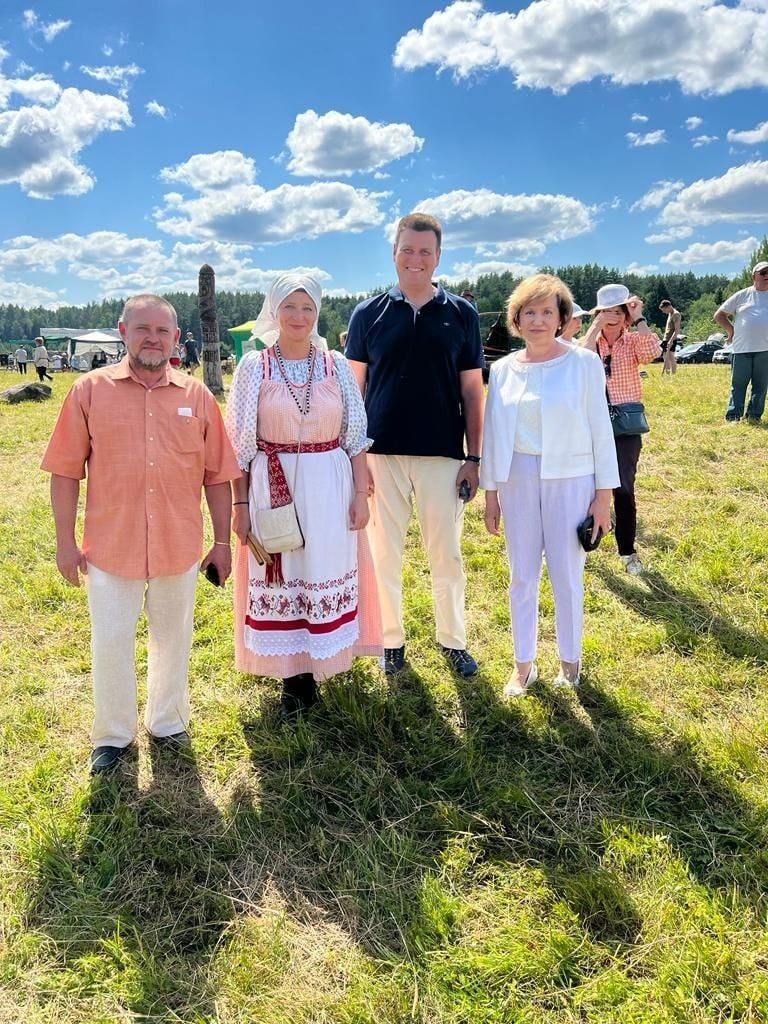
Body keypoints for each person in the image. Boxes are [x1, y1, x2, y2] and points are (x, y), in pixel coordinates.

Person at [41, 294, 240, 775]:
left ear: (176, 338)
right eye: (142, 329)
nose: (153, 338)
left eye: (163, 331)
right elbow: (66, 472)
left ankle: (167, 722)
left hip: (179, 545)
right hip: (111, 547)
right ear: (123, 331)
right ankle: (113, 736)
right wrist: (65, 542)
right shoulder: (89, 390)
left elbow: (218, 475)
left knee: (173, 639)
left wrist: (221, 541)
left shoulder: (197, 397)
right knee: (111, 642)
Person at [226, 273, 382, 716]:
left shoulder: (335, 364)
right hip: (272, 483)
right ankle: (293, 677)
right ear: (273, 312)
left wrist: (361, 493)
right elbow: (237, 443)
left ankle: (323, 659)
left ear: (318, 313)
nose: (298, 316)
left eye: (307, 307)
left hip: (330, 483)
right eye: (289, 307)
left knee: (323, 569)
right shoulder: (254, 366)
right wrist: (240, 506)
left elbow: (356, 435)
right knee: (284, 568)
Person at [345, 212, 485, 677]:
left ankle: (453, 641)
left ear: (439, 256)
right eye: (408, 249)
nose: (416, 259)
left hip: (443, 454)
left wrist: (475, 458)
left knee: (446, 553)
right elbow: (353, 392)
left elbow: (472, 391)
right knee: (384, 554)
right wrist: (355, 461)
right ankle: (390, 642)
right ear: (394, 253)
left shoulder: (461, 315)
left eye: (425, 251)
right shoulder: (368, 314)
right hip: (381, 453)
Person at [482, 274, 618, 697]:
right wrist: (491, 494)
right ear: (516, 319)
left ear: (561, 317)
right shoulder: (502, 370)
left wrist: (603, 496)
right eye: (529, 313)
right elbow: (492, 433)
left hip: (571, 479)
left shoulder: (583, 363)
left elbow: (601, 429)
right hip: (516, 480)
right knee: (521, 575)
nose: (538, 321)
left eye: (547, 312)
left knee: (566, 574)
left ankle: (570, 663)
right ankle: (523, 664)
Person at [578, 284, 661, 575]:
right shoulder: (590, 342)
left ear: (626, 313)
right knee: (585, 489)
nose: (612, 317)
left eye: (618, 310)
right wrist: (594, 326)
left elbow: (654, 352)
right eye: (606, 311)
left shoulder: (633, 341)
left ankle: (627, 551)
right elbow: (578, 361)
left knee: (623, 489)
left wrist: (639, 318)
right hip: (591, 424)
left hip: (626, 426)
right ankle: (583, 544)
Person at [714, 261, 768, 422]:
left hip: (765, 349)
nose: (767, 276)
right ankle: (734, 416)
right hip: (741, 348)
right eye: (763, 273)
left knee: (761, 386)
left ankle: (754, 416)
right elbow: (719, 315)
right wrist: (731, 330)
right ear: (754, 276)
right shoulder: (742, 295)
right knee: (738, 384)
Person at [659, 299, 682, 375]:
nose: (664, 312)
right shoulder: (670, 314)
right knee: (665, 356)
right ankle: (667, 373)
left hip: (671, 339)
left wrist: (671, 341)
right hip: (666, 338)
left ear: (668, 306)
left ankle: (673, 374)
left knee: (671, 357)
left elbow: (677, 330)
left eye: (664, 310)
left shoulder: (676, 314)